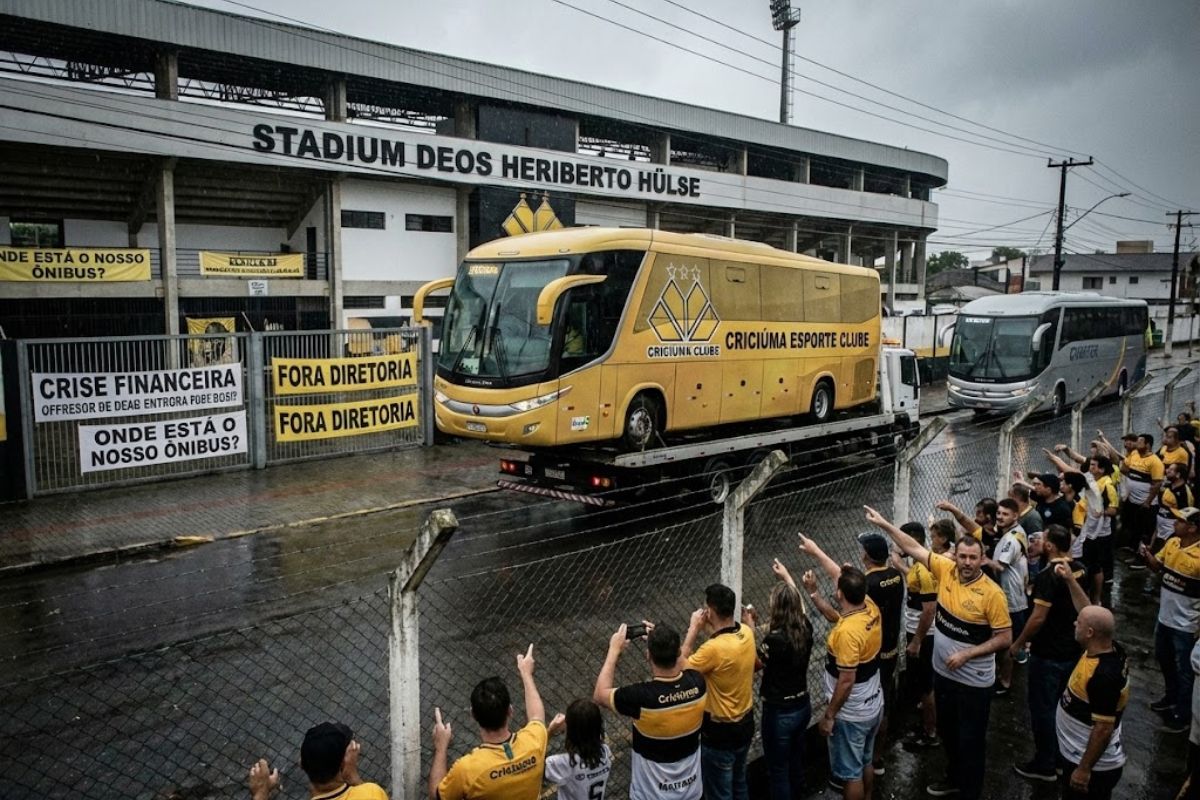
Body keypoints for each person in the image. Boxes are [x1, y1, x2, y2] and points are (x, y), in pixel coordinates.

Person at [865, 505, 1011, 800]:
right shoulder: (945, 570)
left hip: (973, 681)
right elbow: (912, 547)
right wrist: (884, 524)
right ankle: (954, 777)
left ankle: (970, 790)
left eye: (973, 558)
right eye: (963, 557)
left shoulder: (992, 594)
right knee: (949, 732)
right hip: (944, 673)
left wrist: (968, 655)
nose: (967, 563)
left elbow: (1005, 638)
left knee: (971, 739)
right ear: (954, 556)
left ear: (982, 559)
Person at [798, 539, 881, 800]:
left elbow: (846, 680)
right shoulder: (869, 607)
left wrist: (830, 715)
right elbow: (837, 613)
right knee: (865, 760)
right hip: (873, 704)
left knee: (850, 773)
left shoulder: (846, 635)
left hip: (852, 713)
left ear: (840, 595)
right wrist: (814, 592)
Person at [1010, 524, 1087, 783]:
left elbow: (1038, 618)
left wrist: (1019, 642)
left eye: (1042, 539)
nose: (1038, 542)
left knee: (1042, 708)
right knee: (1060, 708)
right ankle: (1059, 757)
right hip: (1071, 650)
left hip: (1048, 652)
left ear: (1050, 546)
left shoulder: (1048, 576)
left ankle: (1045, 763)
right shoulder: (1079, 568)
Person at [594, 623, 705, 800]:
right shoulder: (698, 683)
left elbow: (600, 694)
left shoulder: (641, 697)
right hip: (692, 792)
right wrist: (664, 639)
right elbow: (684, 662)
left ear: (648, 655)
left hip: (651, 795)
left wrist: (614, 650)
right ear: (677, 652)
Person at [1048, 570, 1130, 800]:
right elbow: (1089, 613)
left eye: (1079, 623)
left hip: (1093, 766)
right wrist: (1070, 580)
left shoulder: (1104, 676)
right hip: (1075, 755)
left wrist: (1084, 769)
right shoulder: (1107, 645)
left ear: (1090, 633)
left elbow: (1103, 729)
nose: (1075, 622)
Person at [429, 645, 547, 800]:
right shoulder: (534, 742)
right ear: (510, 711)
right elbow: (537, 715)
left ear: (473, 715)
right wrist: (526, 673)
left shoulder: (467, 769)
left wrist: (441, 748)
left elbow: (435, 796)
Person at [681, 584, 756, 800]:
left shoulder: (712, 650)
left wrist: (693, 628)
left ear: (711, 610)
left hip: (720, 733)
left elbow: (679, 669)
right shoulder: (746, 633)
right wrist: (709, 625)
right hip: (745, 723)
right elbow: (721, 639)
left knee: (719, 793)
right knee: (740, 782)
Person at [750, 559, 814, 800]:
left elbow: (753, 664)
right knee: (796, 763)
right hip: (802, 705)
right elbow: (803, 608)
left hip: (780, 712)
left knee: (778, 771)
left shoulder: (774, 640)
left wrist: (750, 629)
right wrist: (787, 576)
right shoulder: (804, 627)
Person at [1141, 506, 1200, 733]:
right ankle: (1170, 697)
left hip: (1187, 625)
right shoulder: (1173, 543)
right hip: (1165, 617)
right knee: (1164, 659)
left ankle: (1183, 715)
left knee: (1185, 670)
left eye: (1180, 521)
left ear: (1193, 527)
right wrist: (1147, 556)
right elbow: (1157, 566)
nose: (1174, 523)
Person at [854, 531, 903, 775]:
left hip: (872, 652)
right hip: (891, 648)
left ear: (867, 556)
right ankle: (878, 756)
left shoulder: (867, 584)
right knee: (886, 699)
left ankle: (867, 759)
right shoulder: (895, 576)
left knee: (869, 703)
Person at [894, 521, 944, 750]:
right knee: (922, 683)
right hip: (919, 632)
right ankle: (926, 724)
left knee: (926, 686)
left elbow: (929, 610)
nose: (897, 544)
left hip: (923, 634)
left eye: (901, 540)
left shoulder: (924, 569)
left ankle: (930, 732)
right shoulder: (920, 563)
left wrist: (916, 641)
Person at [250, 722, 387, 800]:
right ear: (343, 763)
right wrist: (352, 775)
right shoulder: (372, 793)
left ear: (301, 764)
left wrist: (261, 792)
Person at [991, 499, 1030, 692]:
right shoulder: (1018, 531)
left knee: (1007, 643)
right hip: (1016, 595)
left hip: (1011, 599)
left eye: (1005, 514)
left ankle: (1005, 681)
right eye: (998, 513)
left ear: (1015, 516)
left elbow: (1000, 566)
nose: (1000, 517)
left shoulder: (1010, 539)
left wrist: (981, 559)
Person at [544, 699, 611, 800]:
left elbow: (536, 764)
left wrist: (550, 731)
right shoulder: (605, 752)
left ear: (571, 731)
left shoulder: (566, 763)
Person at [1122, 433, 1164, 569]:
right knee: (1135, 529)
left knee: (1145, 533)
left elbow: (1157, 484)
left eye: (1140, 442)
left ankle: (1142, 560)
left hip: (1146, 505)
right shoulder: (1134, 455)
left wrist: (1147, 502)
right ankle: (1135, 553)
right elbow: (1125, 469)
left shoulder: (1155, 462)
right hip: (1133, 502)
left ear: (1147, 445)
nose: (1136, 444)